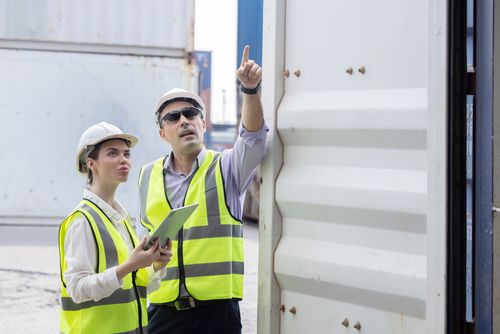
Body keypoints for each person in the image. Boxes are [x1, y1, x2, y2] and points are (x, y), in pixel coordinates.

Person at [139, 45, 267, 333]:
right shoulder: (146, 176)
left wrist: (250, 90)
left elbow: (254, 138)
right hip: (163, 313)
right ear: (162, 133)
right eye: (172, 117)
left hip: (216, 315)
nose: (183, 120)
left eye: (190, 113)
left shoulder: (226, 169)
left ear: (203, 123)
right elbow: (143, 244)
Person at [58, 122, 173, 334]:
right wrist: (128, 266)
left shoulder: (120, 219)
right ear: (91, 163)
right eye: (113, 153)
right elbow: (77, 289)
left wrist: (155, 265)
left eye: (127, 154)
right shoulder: (82, 221)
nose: (124, 160)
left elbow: (132, 285)